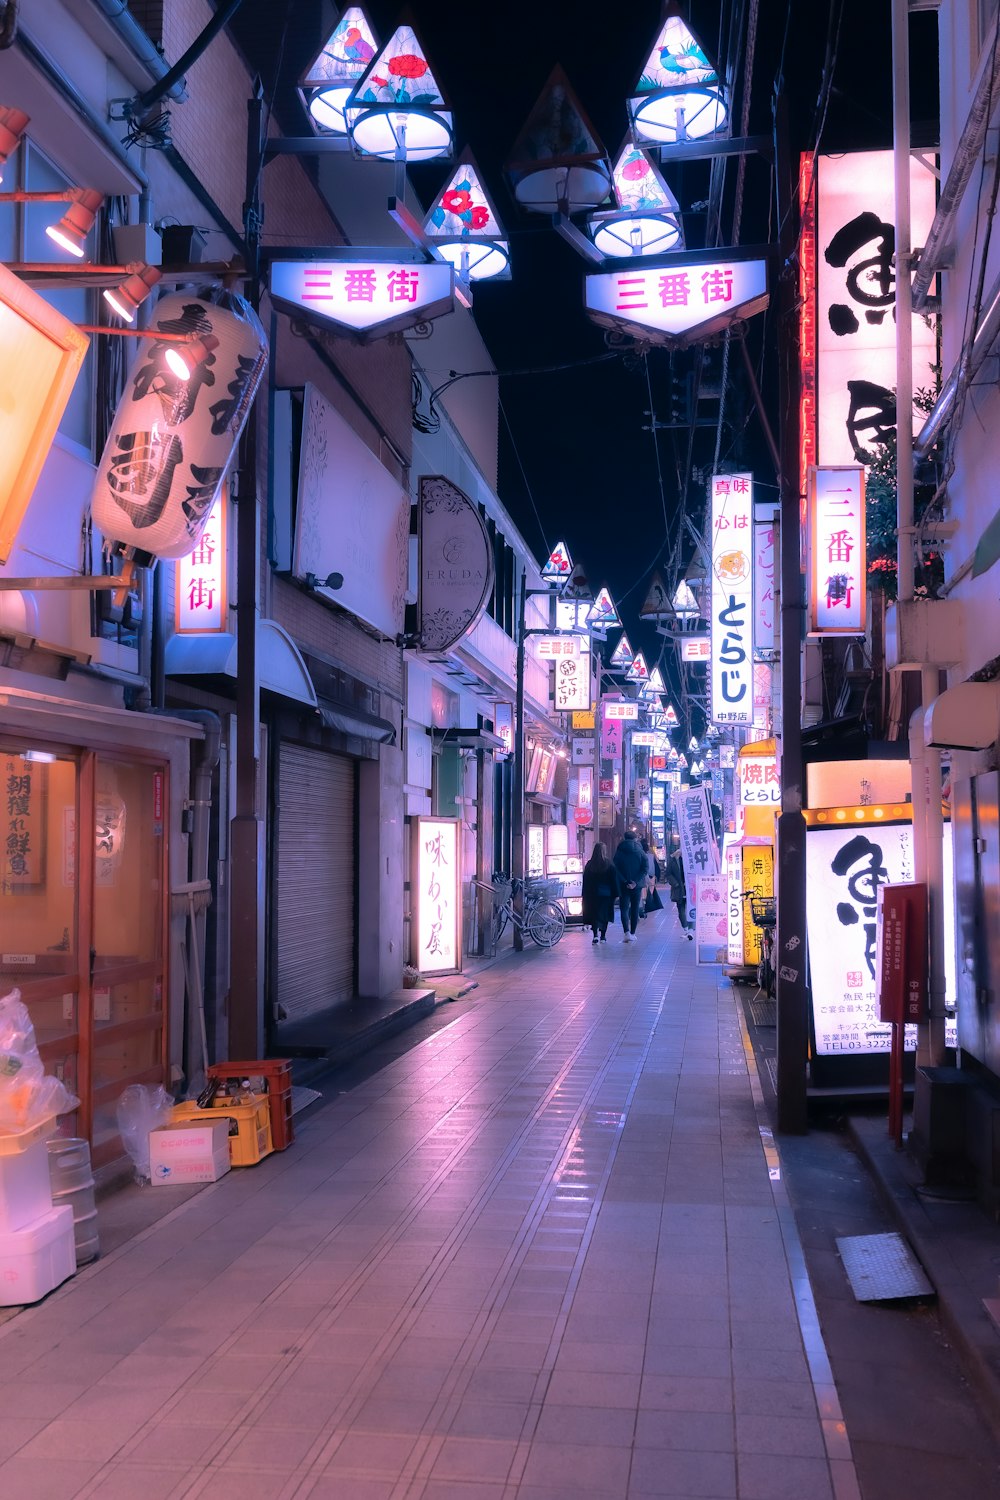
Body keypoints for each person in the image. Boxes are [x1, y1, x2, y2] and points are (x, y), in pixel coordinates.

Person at [613, 828, 647, 942]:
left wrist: (625, 881)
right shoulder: (640, 851)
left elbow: (615, 868)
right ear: (635, 838)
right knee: (635, 908)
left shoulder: (619, 850)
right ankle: (633, 933)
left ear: (624, 838)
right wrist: (635, 882)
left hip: (623, 885)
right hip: (637, 886)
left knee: (624, 908)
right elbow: (645, 868)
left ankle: (626, 932)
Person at [581, 843, 618, 944]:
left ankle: (595, 936)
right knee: (604, 915)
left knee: (594, 914)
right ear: (604, 851)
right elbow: (613, 880)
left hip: (592, 894)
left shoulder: (590, 864)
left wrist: (584, 893)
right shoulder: (608, 864)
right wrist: (616, 893)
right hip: (606, 894)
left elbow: (585, 880)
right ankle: (603, 936)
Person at [665, 840, 694, 939]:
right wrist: (676, 883)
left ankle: (690, 930)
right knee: (681, 908)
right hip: (679, 889)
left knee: (692, 908)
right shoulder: (674, 859)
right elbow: (668, 874)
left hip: (691, 888)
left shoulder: (693, 859)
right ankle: (686, 929)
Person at [638, 837, 656, 917]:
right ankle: (643, 909)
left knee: (640, 895)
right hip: (649, 876)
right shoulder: (650, 856)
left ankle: (641, 909)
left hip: (640, 878)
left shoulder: (638, 855)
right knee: (645, 894)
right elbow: (652, 868)